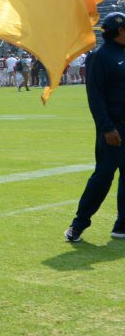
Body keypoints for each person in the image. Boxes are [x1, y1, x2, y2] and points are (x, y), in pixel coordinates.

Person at [65, 12, 125, 242]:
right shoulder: (101, 56)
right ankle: (78, 225)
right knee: (103, 177)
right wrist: (106, 128)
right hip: (114, 128)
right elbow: (95, 96)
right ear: (120, 31)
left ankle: (121, 226)